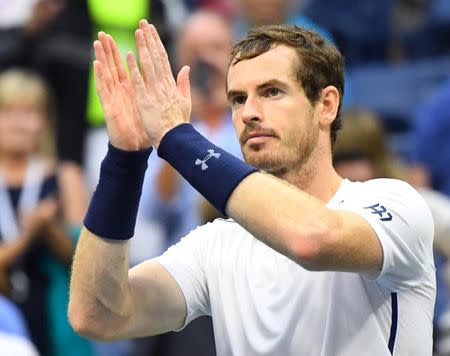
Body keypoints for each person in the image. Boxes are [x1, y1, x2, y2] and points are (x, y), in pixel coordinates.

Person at [69, 21, 435, 355]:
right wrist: (125, 159)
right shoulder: (216, 243)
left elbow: (311, 239)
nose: (248, 113)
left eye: (272, 92)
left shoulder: (393, 203)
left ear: (326, 105)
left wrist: (176, 137)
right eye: (238, 98)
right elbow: (98, 315)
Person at [0, 69, 92, 356]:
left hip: (54, 317)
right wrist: (29, 235)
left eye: (30, 112)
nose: (20, 124)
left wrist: (50, 229)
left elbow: (85, 259)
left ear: (45, 121)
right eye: (8, 112)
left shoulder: (66, 177)